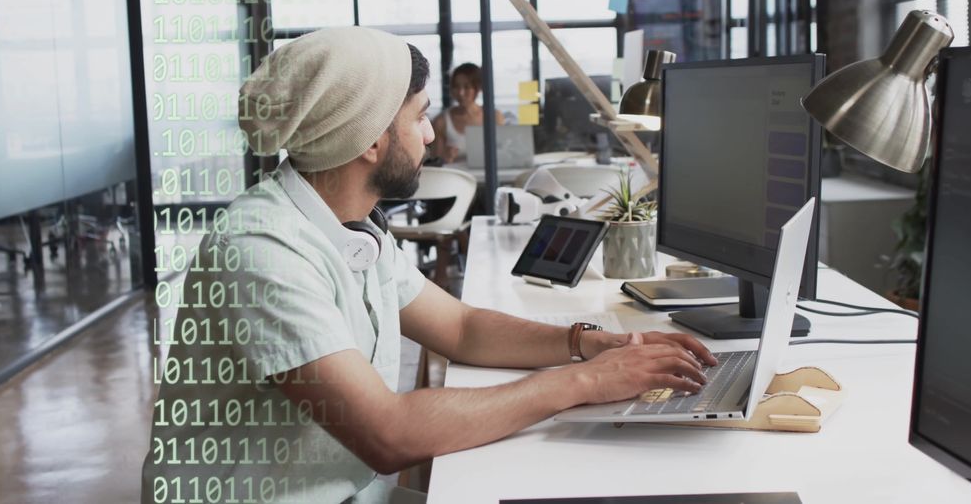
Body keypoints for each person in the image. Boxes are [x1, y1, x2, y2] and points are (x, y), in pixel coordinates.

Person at [140, 26, 716, 504]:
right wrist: (583, 382)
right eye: (419, 116)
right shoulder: (262, 249)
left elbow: (460, 329)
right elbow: (388, 434)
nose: (431, 133)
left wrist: (585, 343)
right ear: (368, 139)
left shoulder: (350, 222)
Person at [431, 62, 506, 163]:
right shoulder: (441, 122)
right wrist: (445, 157)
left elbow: (505, 154)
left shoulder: (495, 117)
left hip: (487, 178)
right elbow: (435, 164)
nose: (461, 93)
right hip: (457, 177)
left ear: (478, 88)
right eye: (456, 87)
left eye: (467, 87)